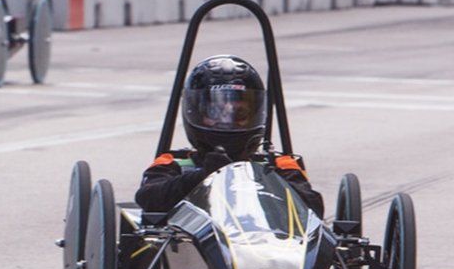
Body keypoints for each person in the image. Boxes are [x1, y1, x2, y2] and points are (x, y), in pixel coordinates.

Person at [135, 55, 324, 215]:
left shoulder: (278, 165)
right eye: (216, 112)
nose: (227, 121)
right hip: (195, 248)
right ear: (196, 113)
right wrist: (202, 177)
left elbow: (312, 208)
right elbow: (147, 199)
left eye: (239, 114)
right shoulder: (173, 163)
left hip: (267, 245)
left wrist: (269, 182)